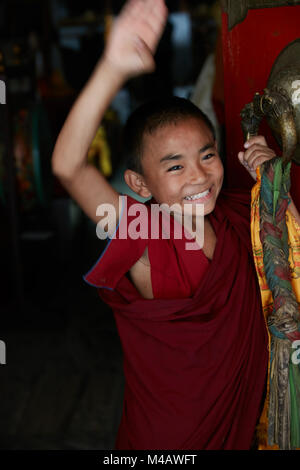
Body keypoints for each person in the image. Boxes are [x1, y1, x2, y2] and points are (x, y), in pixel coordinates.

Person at [51, 0, 294, 450]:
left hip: (245, 430)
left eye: (207, 154)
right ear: (139, 183)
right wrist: (113, 66)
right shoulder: (145, 234)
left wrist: (274, 182)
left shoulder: (242, 210)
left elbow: (295, 264)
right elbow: (69, 167)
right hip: (166, 441)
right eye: (175, 167)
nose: (200, 175)